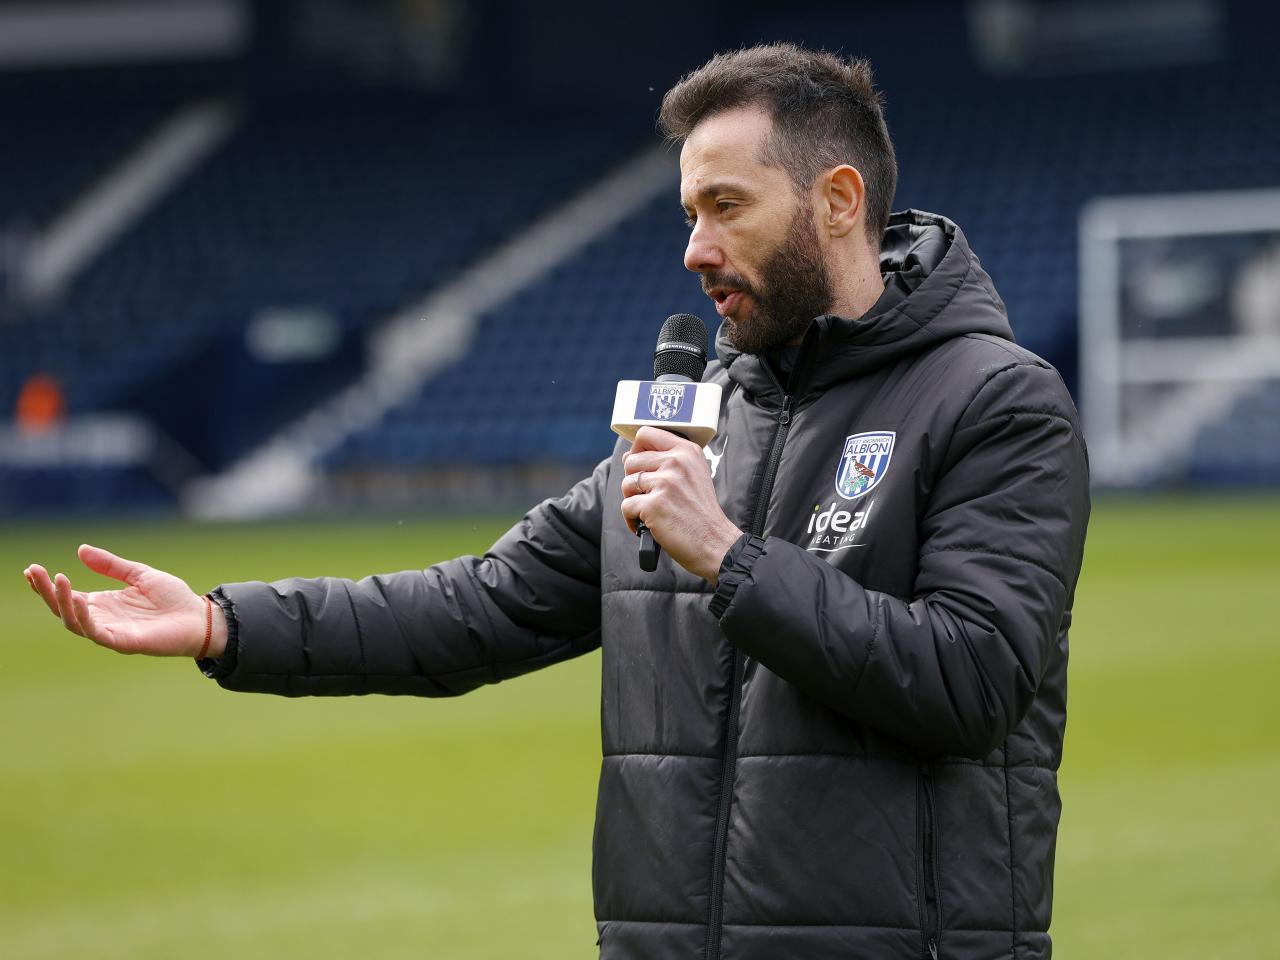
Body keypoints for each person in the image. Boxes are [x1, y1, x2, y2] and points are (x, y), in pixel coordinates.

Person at [23, 43, 1089, 960]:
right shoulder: (698, 418)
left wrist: (727, 556)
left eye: (726, 206)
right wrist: (224, 622)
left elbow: (970, 681)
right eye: (686, 212)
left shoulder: (993, 403)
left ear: (839, 201)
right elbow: (476, 606)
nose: (694, 250)